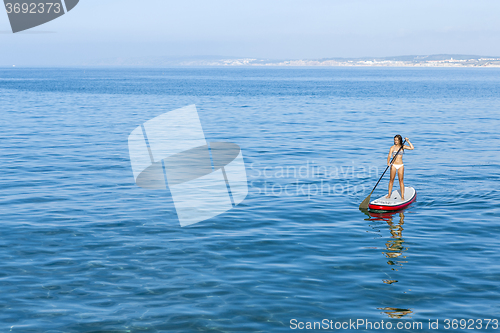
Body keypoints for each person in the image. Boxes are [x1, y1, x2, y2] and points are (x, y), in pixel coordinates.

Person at [386, 135, 414, 200]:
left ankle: (402, 196)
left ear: (400, 141)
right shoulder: (392, 147)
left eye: (397, 140)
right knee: (391, 180)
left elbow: (412, 148)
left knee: (401, 181)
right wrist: (388, 162)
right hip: (393, 165)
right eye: (395, 140)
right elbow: (389, 155)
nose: (395, 141)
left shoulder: (402, 147)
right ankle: (389, 194)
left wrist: (408, 141)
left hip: (400, 165)